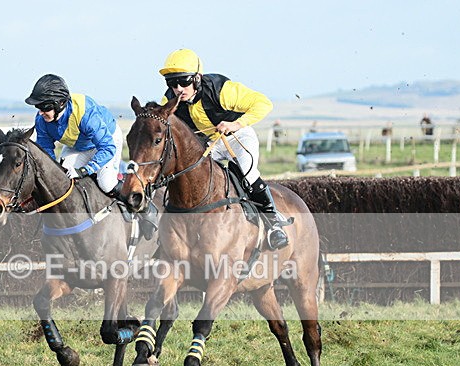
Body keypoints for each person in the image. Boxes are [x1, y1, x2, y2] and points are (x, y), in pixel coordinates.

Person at [159, 49, 289, 249]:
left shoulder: (221, 89)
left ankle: (274, 225)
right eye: (172, 83)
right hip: (209, 144)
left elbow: (263, 103)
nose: (178, 89)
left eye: (184, 81)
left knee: (248, 175)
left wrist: (235, 124)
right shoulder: (170, 100)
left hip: (237, 137)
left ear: (197, 78)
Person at [25, 74, 157, 238]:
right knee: (62, 181)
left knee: (106, 183)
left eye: (44, 107)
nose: (40, 112)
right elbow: (46, 150)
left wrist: (84, 170)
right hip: (79, 145)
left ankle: (143, 207)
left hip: (107, 141)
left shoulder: (86, 115)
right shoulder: (41, 120)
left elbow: (107, 148)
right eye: (38, 107)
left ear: (59, 104)